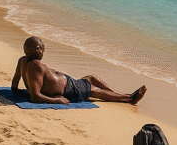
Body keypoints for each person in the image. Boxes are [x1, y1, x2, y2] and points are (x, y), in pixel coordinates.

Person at [12, 36, 146, 105]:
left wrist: (21, 93)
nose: (43, 52)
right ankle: (129, 98)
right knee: (94, 90)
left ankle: (122, 94)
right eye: (42, 49)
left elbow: (14, 87)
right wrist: (57, 100)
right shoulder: (35, 65)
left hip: (69, 84)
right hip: (68, 90)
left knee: (91, 78)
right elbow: (35, 97)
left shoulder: (22, 61)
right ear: (37, 49)